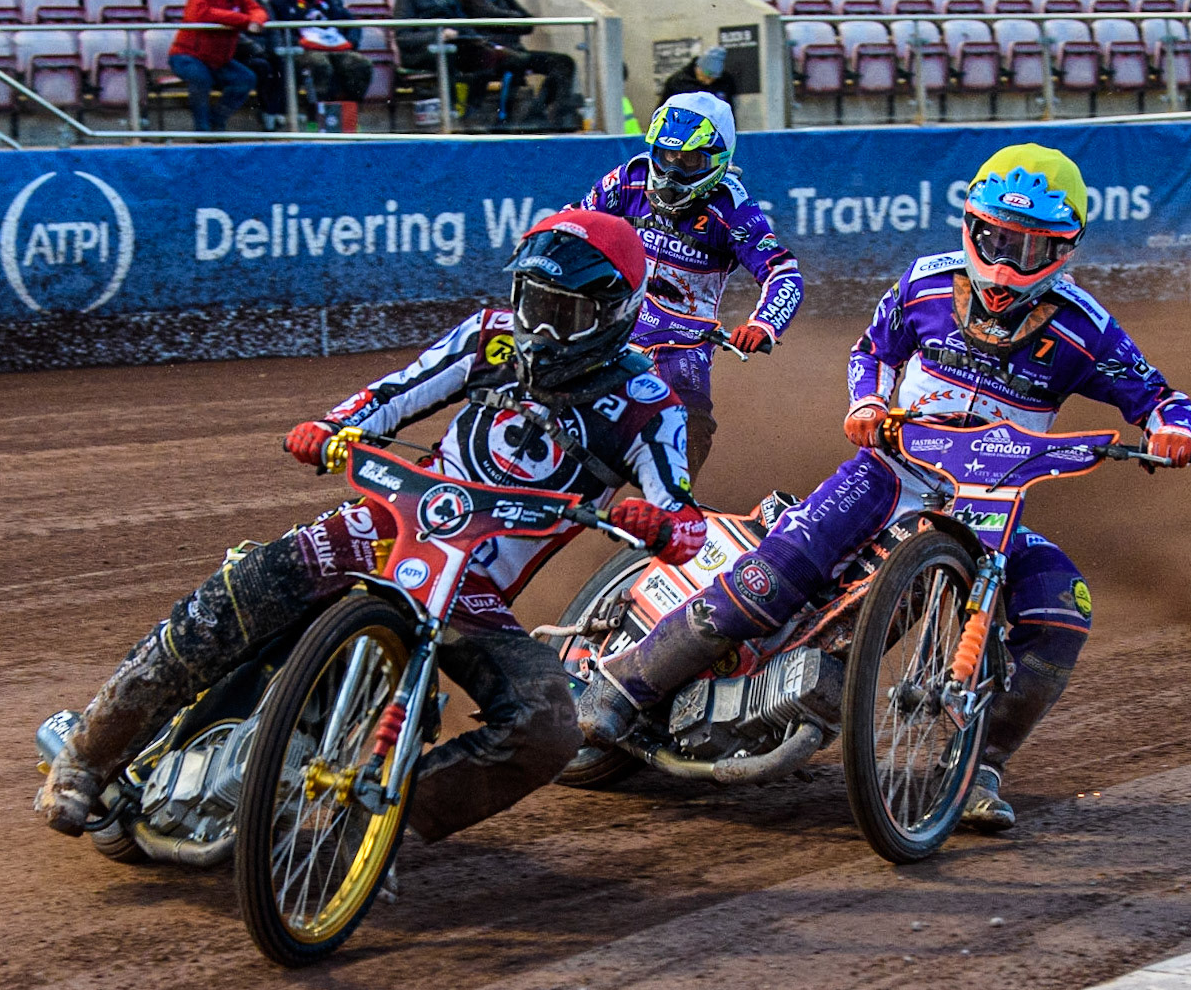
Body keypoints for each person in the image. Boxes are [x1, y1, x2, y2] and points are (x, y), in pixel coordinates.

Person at [576, 144, 1191, 831]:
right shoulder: (926, 283)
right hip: (887, 472)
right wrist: (867, 403)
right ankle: (622, 687)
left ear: (1063, 249)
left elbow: (1158, 395)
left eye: (1028, 247)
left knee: (1062, 609)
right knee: (770, 578)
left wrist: (1175, 429)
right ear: (970, 224)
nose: (1005, 262)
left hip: (989, 503)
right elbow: (873, 350)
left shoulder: (1086, 329)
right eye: (995, 237)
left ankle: (978, 767)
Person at [35, 211, 706, 849]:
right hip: (384, 525)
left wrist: (659, 526)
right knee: (233, 597)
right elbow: (390, 395)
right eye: (532, 304)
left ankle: (375, 823)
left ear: (615, 314)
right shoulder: (489, 337)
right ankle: (85, 758)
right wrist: (331, 427)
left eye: (565, 314)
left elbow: (685, 522)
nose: (541, 329)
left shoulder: (648, 408)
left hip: (469, 588)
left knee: (549, 728)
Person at [578, 92, 802, 476]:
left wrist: (763, 324)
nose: (672, 172)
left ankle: (675, 499)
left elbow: (784, 273)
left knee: (693, 423)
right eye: (667, 156)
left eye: (689, 160)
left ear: (718, 160)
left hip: (683, 338)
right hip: (614, 317)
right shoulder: (629, 179)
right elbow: (575, 224)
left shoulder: (733, 210)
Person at [459, 0, 579, 128]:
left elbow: (528, 24)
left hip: (517, 52)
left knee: (563, 62)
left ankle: (546, 114)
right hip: (489, 53)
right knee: (515, 61)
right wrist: (514, 19)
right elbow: (486, 13)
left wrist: (508, 21)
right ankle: (507, 120)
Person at [168, 0, 266, 131]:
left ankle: (216, 122)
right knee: (201, 78)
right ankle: (202, 130)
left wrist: (256, 21)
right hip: (186, 55)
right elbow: (201, 14)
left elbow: (258, 11)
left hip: (217, 60)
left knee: (245, 79)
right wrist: (245, 21)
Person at [268, 0, 374, 109]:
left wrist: (351, 41)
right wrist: (298, 42)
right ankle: (318, 113)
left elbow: (351, 24)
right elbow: (276, 32)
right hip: (303, 49)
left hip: (335, 46)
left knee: (360, 63)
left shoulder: (332, 0)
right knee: (319, 64)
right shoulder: (280, 1)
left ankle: (349, 111)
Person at [659, 44, 735, 105]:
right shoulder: (678, 83)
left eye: (713, 79)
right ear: (698, 68)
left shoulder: (725, 83)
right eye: (707, 76)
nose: (708, 82)